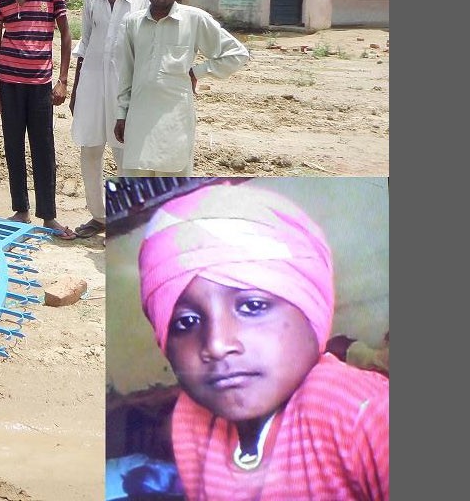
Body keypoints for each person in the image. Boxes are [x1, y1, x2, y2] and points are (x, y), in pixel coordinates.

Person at [137, 182, 388, 500]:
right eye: (186, 322)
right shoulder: (190, 419)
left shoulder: (363, 414)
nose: (216, 344)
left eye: (252, 306)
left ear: (312, 310)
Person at [114, 0, 251, 176]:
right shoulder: (133, 22)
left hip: (175, 124)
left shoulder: (194, 19)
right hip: (138, 120)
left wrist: (199, 71)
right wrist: (121, 114)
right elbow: (127, 73)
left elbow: (238, 54)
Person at [0, 0, 75, 238]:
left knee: (43, 149)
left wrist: (62, 80)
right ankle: (21, 210)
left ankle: (48, 215)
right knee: (13, 147)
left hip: (40, 86)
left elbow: (65, 37)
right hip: (9, 85)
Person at [68, 0, 150, 237]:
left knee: (124, 155)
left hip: (124, 90)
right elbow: (86, 43)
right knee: (89, 151)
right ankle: (99, 216)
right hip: (91, 84)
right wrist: (76, 88)